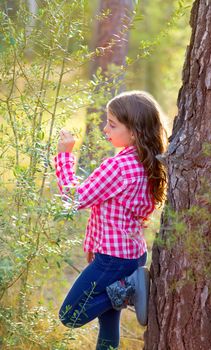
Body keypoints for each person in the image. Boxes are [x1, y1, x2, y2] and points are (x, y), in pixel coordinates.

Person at [54, 90, 168, 350]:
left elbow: (76, 198)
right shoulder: (143, 163)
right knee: (108, 325)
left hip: (113, 260)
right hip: (132, 255)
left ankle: (129, 290)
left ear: (135, 131)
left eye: (112, 124)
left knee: (71, 314)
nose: (106, 128)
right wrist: (94, 246)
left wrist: (64, 156)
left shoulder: (118, 167)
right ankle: (124, 290)